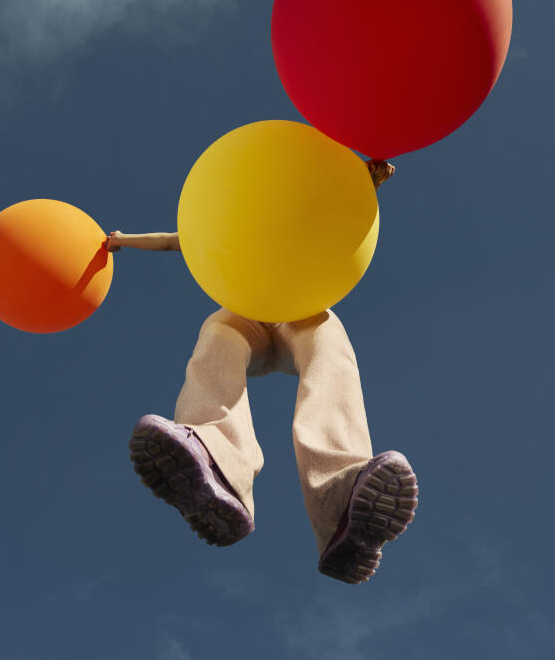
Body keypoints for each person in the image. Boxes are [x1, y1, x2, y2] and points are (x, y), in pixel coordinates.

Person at [106, 160, 417, 584]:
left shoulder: (293, 220)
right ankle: (215, 464)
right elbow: (169, 242)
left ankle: (344, 499)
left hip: (296, 310)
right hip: (247, 315)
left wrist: (366, 183)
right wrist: (122, 239)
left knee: (326, 335)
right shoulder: (226, 231)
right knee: (218, 331)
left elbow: (336, 211)